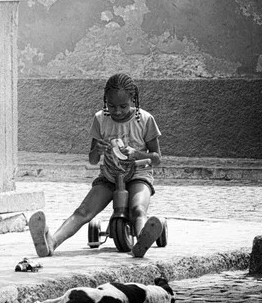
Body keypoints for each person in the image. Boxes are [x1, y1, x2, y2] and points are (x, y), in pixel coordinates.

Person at [29, 73, 164, 258]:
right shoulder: (101, 119)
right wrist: (97, 150)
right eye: (111, 105)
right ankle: (51, 242)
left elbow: (157, 158)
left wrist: (137, 154)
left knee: (138, 210)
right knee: (83, 211)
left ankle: (142, 240)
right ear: (105, 101)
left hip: (138, 175)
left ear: (133, 100)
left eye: (123, 106)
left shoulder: (145, 119)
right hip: (109, 176)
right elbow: (92, 159)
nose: (116, 111)